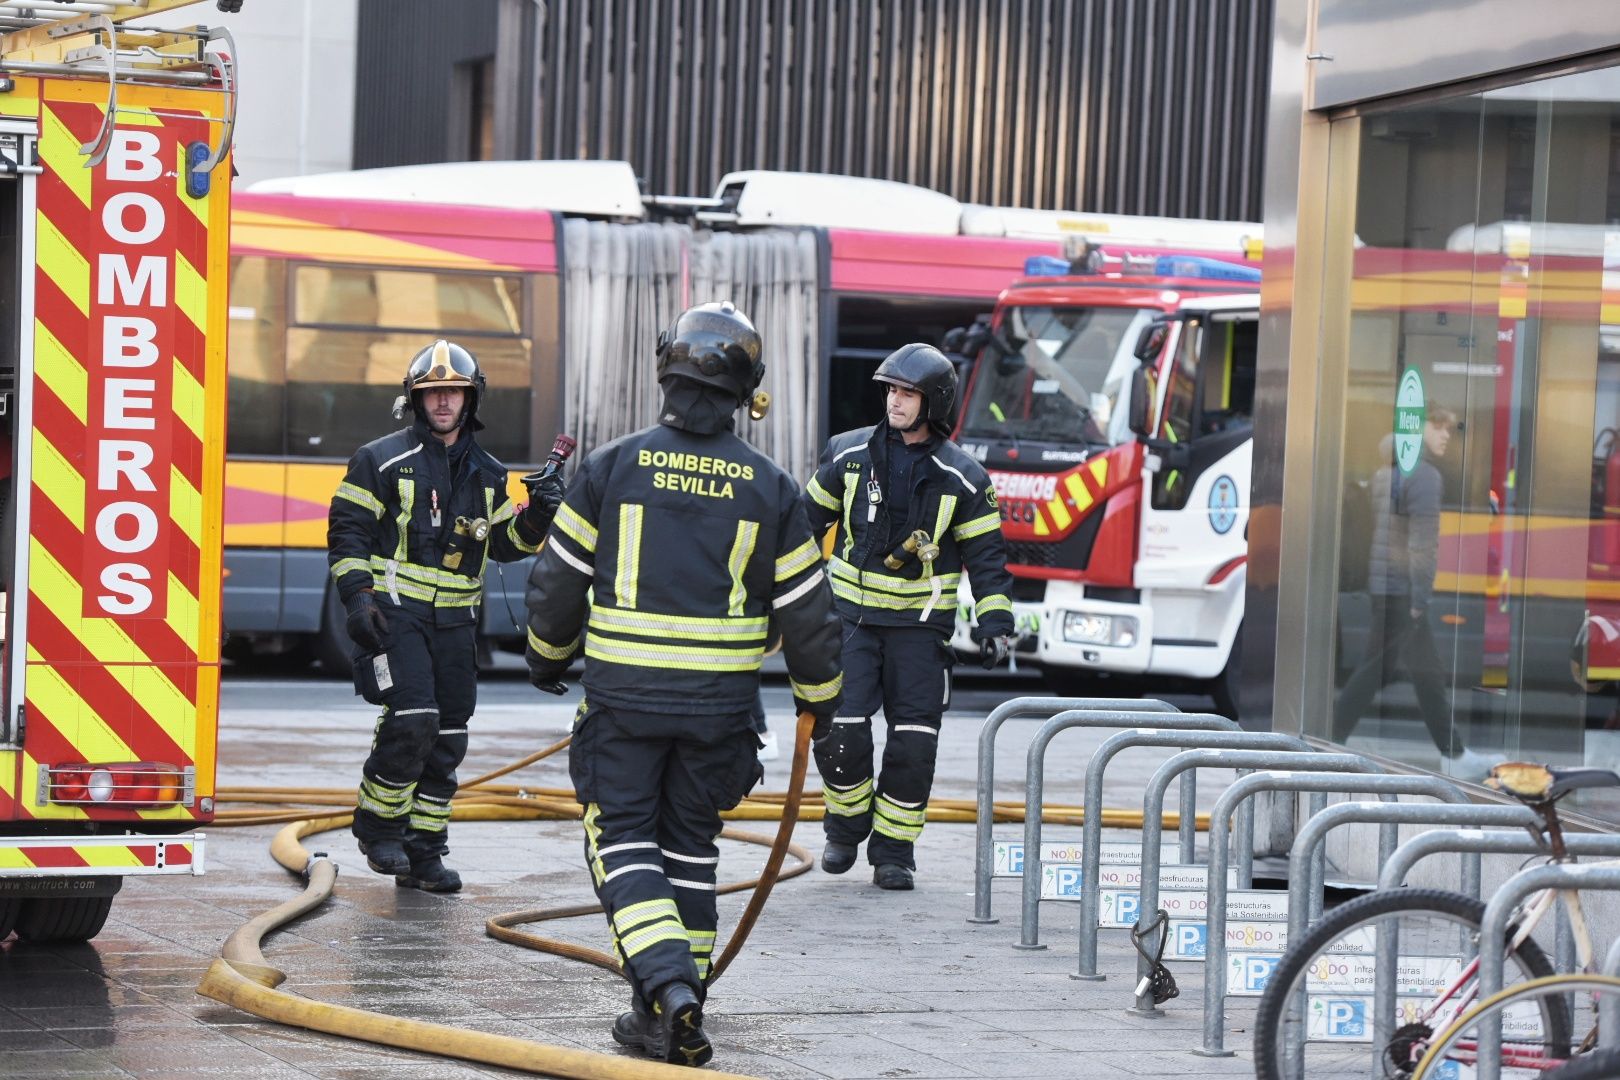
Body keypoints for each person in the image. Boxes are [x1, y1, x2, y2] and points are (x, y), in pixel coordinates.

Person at [523, 301, 842, 1068]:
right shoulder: (771, 488)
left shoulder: (610, 467)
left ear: (665, 368)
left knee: (622, 842)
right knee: (691, 854)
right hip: (720, 716)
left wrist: (546, 657)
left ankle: (668, 993)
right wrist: (820, 701)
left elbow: (556, 587)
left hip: (626, 707)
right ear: (747, 390)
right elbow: (808, 613)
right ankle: (668, 1013)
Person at [327, 340, 563, 892]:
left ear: (470, 398)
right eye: (432, 393)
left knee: (450, 734)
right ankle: (379, 828)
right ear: (416, 400)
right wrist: (357, 597)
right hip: (395, 617)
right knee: (414, 719)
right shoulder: (379, 459)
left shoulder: (488, 472)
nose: (442, 402)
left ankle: (424, 852)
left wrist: (539, 517)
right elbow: (348, 533)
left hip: (457, 625)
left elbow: (503, 545)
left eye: (452, 392)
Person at [803, 343, 1014, 891]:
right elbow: (800, 528)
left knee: (914, 743)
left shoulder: (964, 478)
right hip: (849, 621)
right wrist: (785, 601)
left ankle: (894, 852)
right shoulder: (847, 455)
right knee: (840, 730)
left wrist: (995, 623)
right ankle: (845, 826)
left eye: (908, 393)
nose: (894, 401)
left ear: (933, 402)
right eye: (891, 390)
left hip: (921, 633)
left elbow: (987, 559)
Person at [1333, 403, 1499, 777]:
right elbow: (1423, 545)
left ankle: (1453, 753)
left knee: (1426, 671)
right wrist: (1420, 599)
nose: (1445, 434)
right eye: (1438, 426)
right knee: (1378, 672)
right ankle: (1330, 739)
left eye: (1449, 428)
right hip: (1402, 591)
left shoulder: (1386, 468)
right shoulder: (1422, 475)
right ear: (1417, 427)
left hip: (1384, 586)